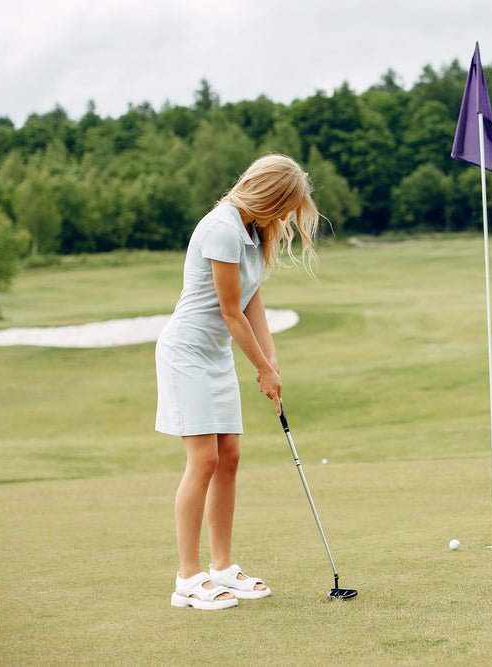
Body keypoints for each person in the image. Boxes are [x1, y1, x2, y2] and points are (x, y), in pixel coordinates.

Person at [155, 154, 319, 610]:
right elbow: (229, 311)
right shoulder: (221, 227)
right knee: (203, 458)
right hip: (186, 353)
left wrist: (272, 359)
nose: (287, 217)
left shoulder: (252, 230)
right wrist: (261, 369)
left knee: (229, 456)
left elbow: (252, 300)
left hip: (215, 355)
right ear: (269, 195)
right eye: (286, 205)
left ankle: (222, 567)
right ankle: (187, 579)